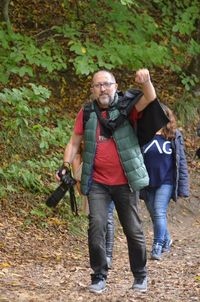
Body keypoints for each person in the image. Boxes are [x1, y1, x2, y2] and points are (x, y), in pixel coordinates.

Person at [56, 68, 169, 294]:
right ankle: (98, 276)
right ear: (92, 90)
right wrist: (66, 165)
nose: (103, 88)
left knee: (133, 229)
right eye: (98, 85)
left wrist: (146, 81)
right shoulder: (87, 112)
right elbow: (74, 141)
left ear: (115, 86)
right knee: (96, 227)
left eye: (107, 84)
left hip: (125, 182)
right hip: (97, 182)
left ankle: (140, 275)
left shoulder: (128, 108)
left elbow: (150, 98)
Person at [141, 105, 189, 261]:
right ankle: (166, 238)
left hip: (166, 181)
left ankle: (157, 246)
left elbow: (181, 162)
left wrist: (183, 186)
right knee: (154, 214)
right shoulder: (143, 133)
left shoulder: (174, 135)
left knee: (159, 211)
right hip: (147, 181)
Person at [72, 149, 115, 269]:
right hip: (91, 182)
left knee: (108, 216)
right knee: (95, 219)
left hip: (111, 177)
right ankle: (99, 255)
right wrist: (78, 180)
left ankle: (107, 255)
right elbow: (77, 155)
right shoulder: (81, 148)